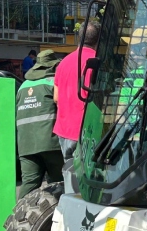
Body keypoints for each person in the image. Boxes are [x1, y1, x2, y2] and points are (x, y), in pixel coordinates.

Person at [16, 50, 64, 198]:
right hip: (51, 142)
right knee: (60, 184)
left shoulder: (23, 86)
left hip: (25, 144)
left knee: (29, 186)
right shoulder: (54, 82)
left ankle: (17, 218)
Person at [54, 22, 99, 163]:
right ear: (99, 39)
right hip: (87, 132)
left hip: (64, 131)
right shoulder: (98, 62)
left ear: (78, 38)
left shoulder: (63, 63)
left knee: (70, 176)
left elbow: (56, 97)